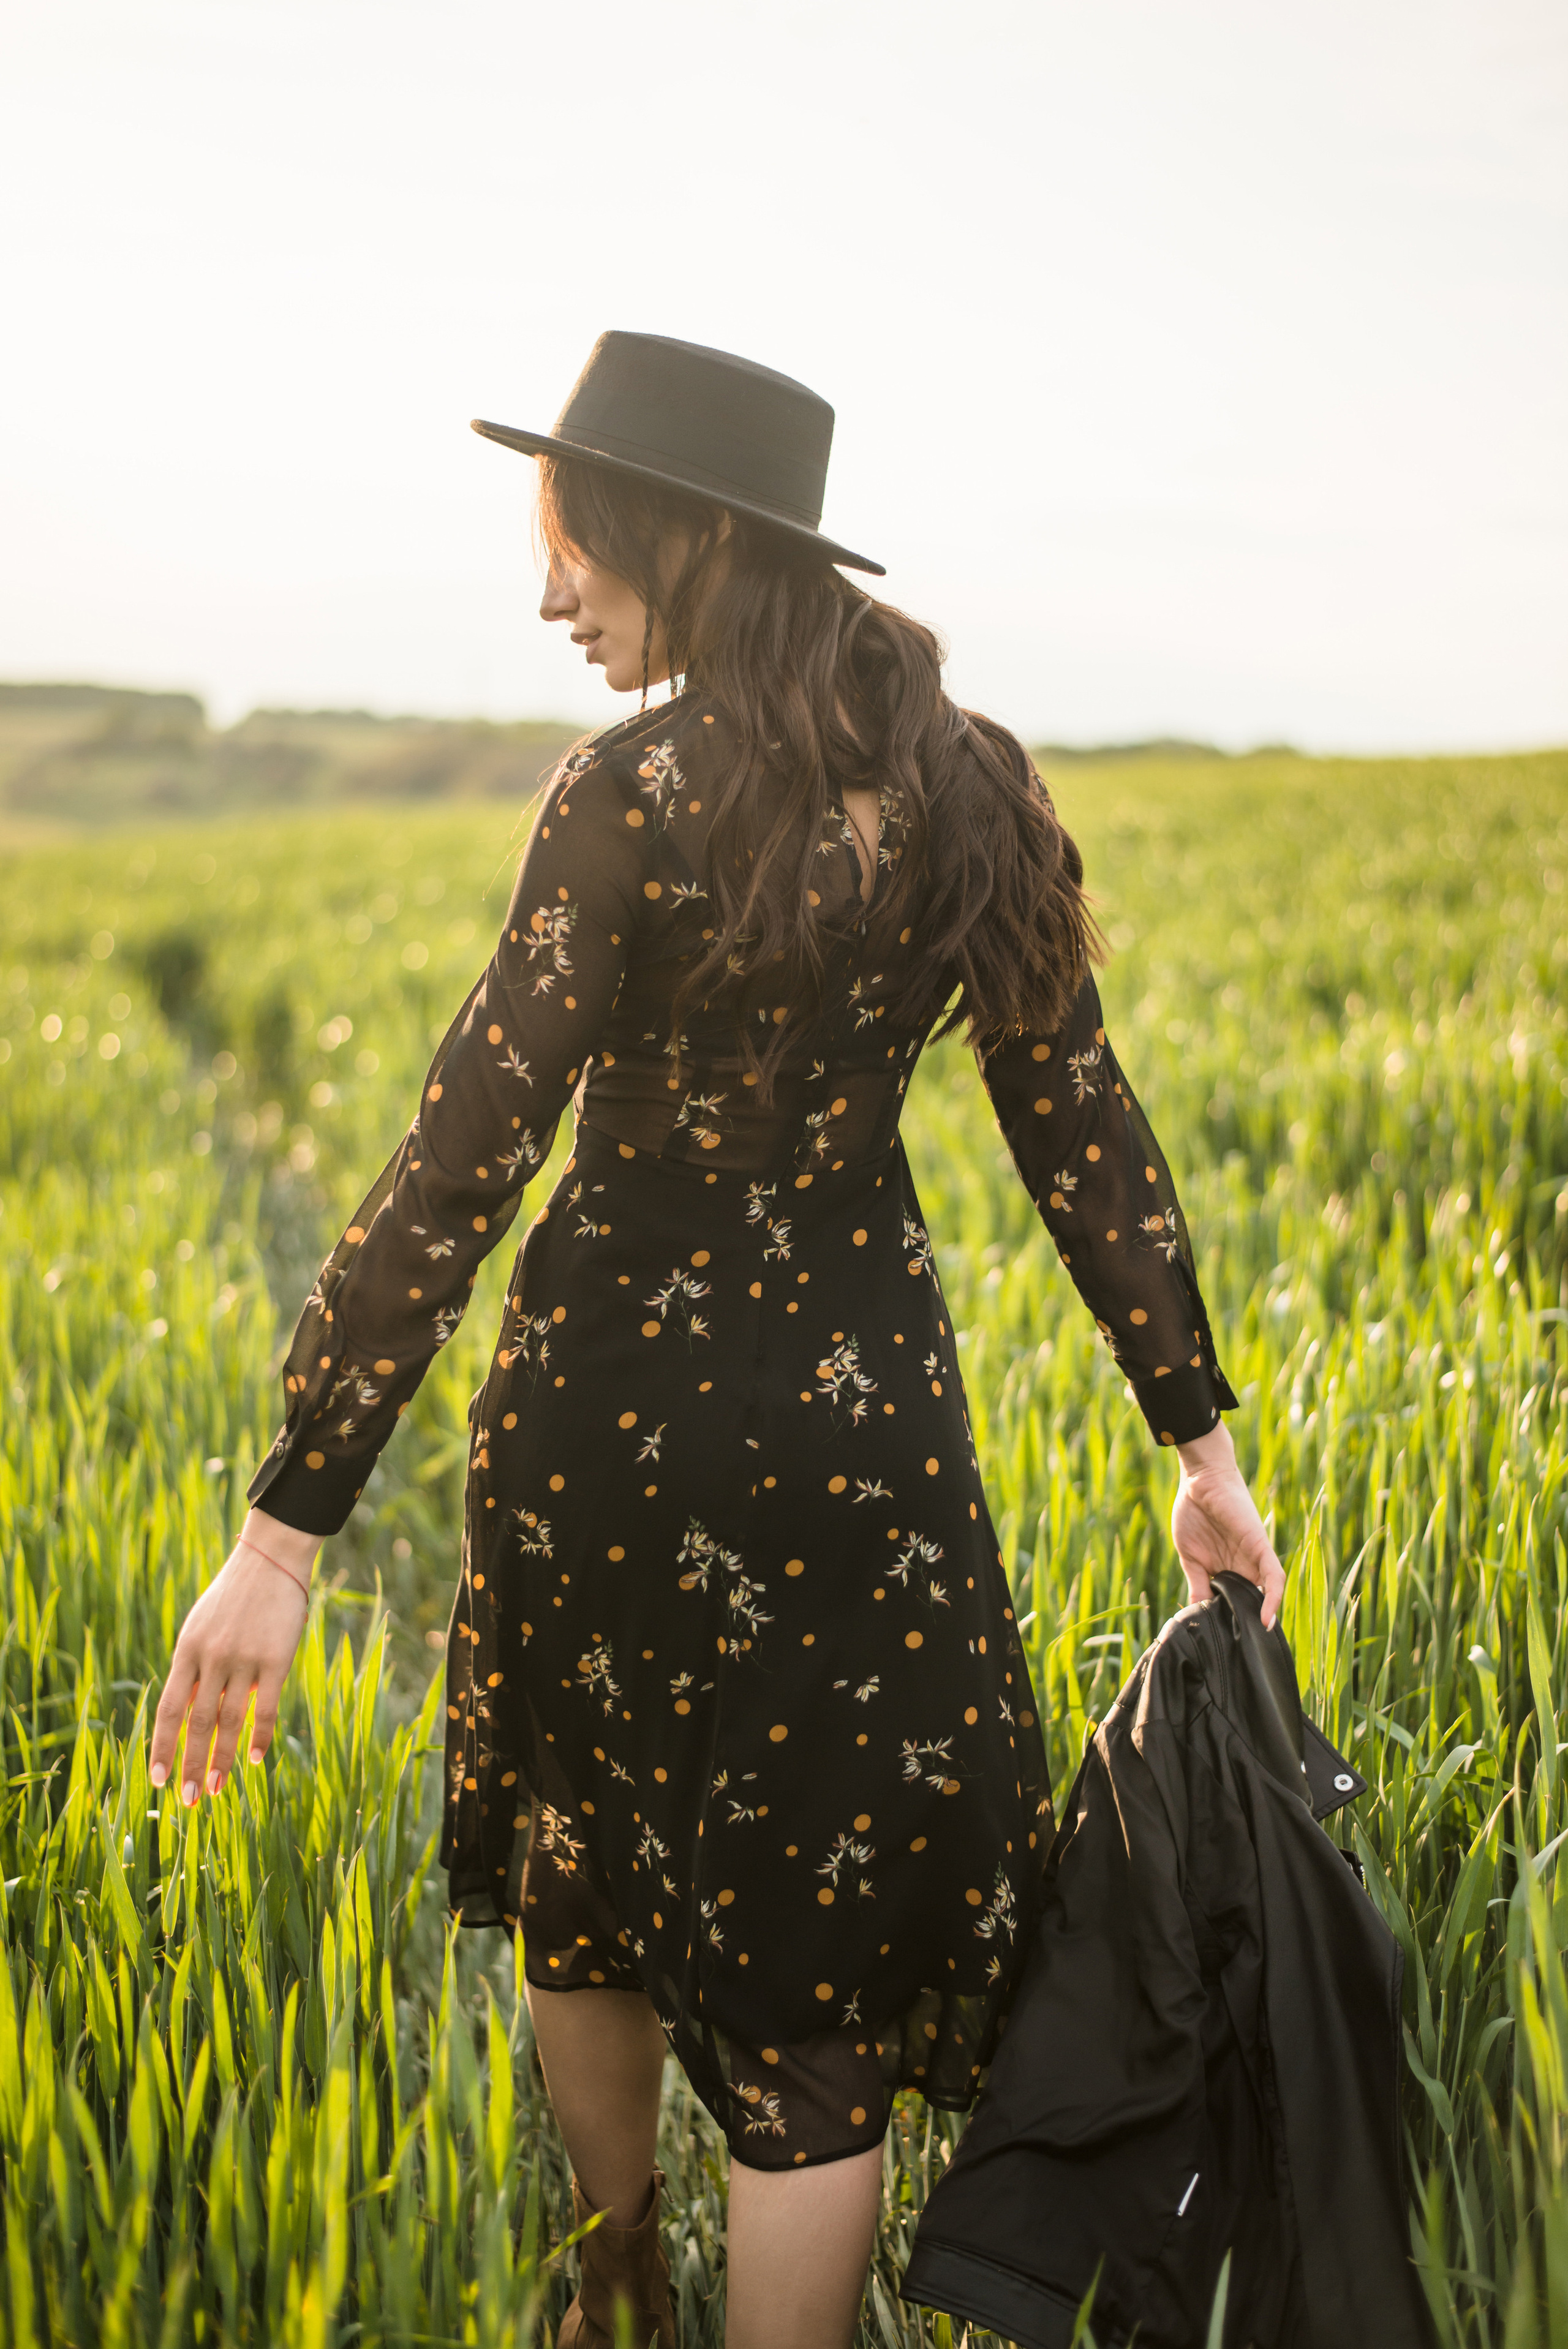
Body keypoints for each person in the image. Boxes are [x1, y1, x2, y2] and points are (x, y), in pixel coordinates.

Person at [149, 333, 1285, 2349]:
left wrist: (286, 1529)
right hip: (867, 1436)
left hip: (604, 1428)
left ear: (685, 535)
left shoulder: (629, 794)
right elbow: (1081, 1129)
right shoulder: (973, 783)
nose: (552, 594)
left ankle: (617, 2283)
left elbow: (464, 1155)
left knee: (580, 1853)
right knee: (818, 1986)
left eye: (576, 540)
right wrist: (1198, 1443)